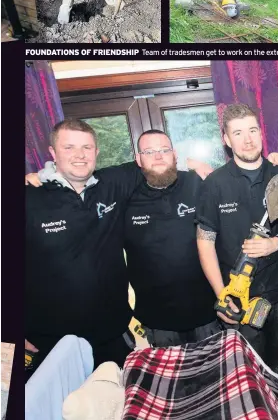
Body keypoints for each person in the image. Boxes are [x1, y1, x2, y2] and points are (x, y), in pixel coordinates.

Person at [25, 120, 142, 370]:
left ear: (96, 152)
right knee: (60, 409)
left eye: (87, 148)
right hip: (53, 341)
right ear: (53, 153)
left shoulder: (112, 183)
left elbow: (156, 162)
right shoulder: (27, 198)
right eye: (69, 148)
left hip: (113, 334)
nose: (80, 155)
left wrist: (197, 167)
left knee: (118, 405)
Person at [195, 104, 278, 377]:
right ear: (226, 140)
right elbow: (205, 242)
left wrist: (275, 243)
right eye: (238, 133)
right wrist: (223, 296)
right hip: (238, 299)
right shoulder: (214, 184)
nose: (247, 139)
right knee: (246, 374)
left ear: (261, 134)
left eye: (252, 130)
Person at [123, 130, 220, 347]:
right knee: (171, 382)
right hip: (158, 322)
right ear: (138, 159)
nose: (158, 156)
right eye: (149, 151)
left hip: (209, 314)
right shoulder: (125, 198)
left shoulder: (199, 183)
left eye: (164, 150)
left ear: (174, 154)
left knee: (215, 378)